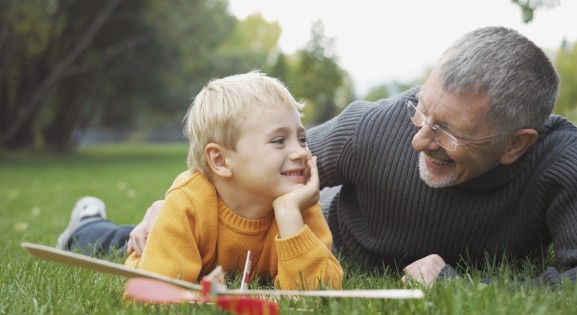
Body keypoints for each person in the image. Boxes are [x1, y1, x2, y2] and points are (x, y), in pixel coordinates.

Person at [128, 26, 577, 287]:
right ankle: (89, 226)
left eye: (447, 130)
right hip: (299, 234)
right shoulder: (374, 126)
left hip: (308, 257)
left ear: (516, 143)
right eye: (421, 109)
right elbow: (247, 164)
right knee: (150, 241)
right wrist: (171, 207)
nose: (419, 139)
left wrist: (456, 286)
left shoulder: (562, 165)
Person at [56, 71, 343, 290]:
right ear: (220, 160)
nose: (300, 151)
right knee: (116, 242)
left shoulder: (299, 205)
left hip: (193, 247)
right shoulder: (189, 205)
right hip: (156, 247)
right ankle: (86, 223)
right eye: (279, 140)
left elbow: (321, 292)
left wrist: (290, 215)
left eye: (302, 138)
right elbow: (152, 293)